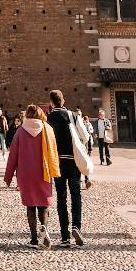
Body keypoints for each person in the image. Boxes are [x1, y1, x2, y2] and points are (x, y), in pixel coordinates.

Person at [4, 104, 60, 248]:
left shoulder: (20, 132)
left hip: (26, 174)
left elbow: (13, 156)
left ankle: (34, 239)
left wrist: (8, 176)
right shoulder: (48, 130)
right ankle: (44, 227)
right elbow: (54, 150)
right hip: (44, 171)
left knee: (30, 206)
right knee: (43, 204)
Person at [47, 90, 92, 247]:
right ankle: (76, 227)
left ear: (51, 102)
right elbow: (86, 137)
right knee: (76, 195)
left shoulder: (49, 118)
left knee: (61, 197)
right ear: (63, 100)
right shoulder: (73, 115)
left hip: (57, 162)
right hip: (73, 161)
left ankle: (64, 236)